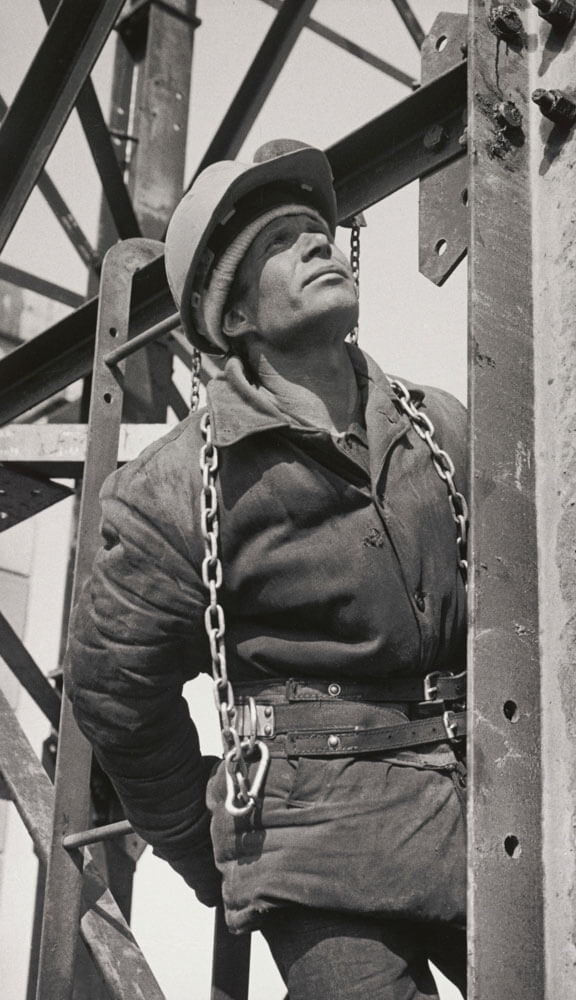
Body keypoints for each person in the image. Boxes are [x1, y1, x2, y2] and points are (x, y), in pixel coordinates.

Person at [66, 139, 468, 1000]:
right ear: (236, 317)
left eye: (316, 231)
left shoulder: (443, 430)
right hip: (315, 853)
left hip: (481, 816)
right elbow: (114, 694)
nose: (317, 243)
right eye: (282, 242)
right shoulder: (176, 492)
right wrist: (209, 853)